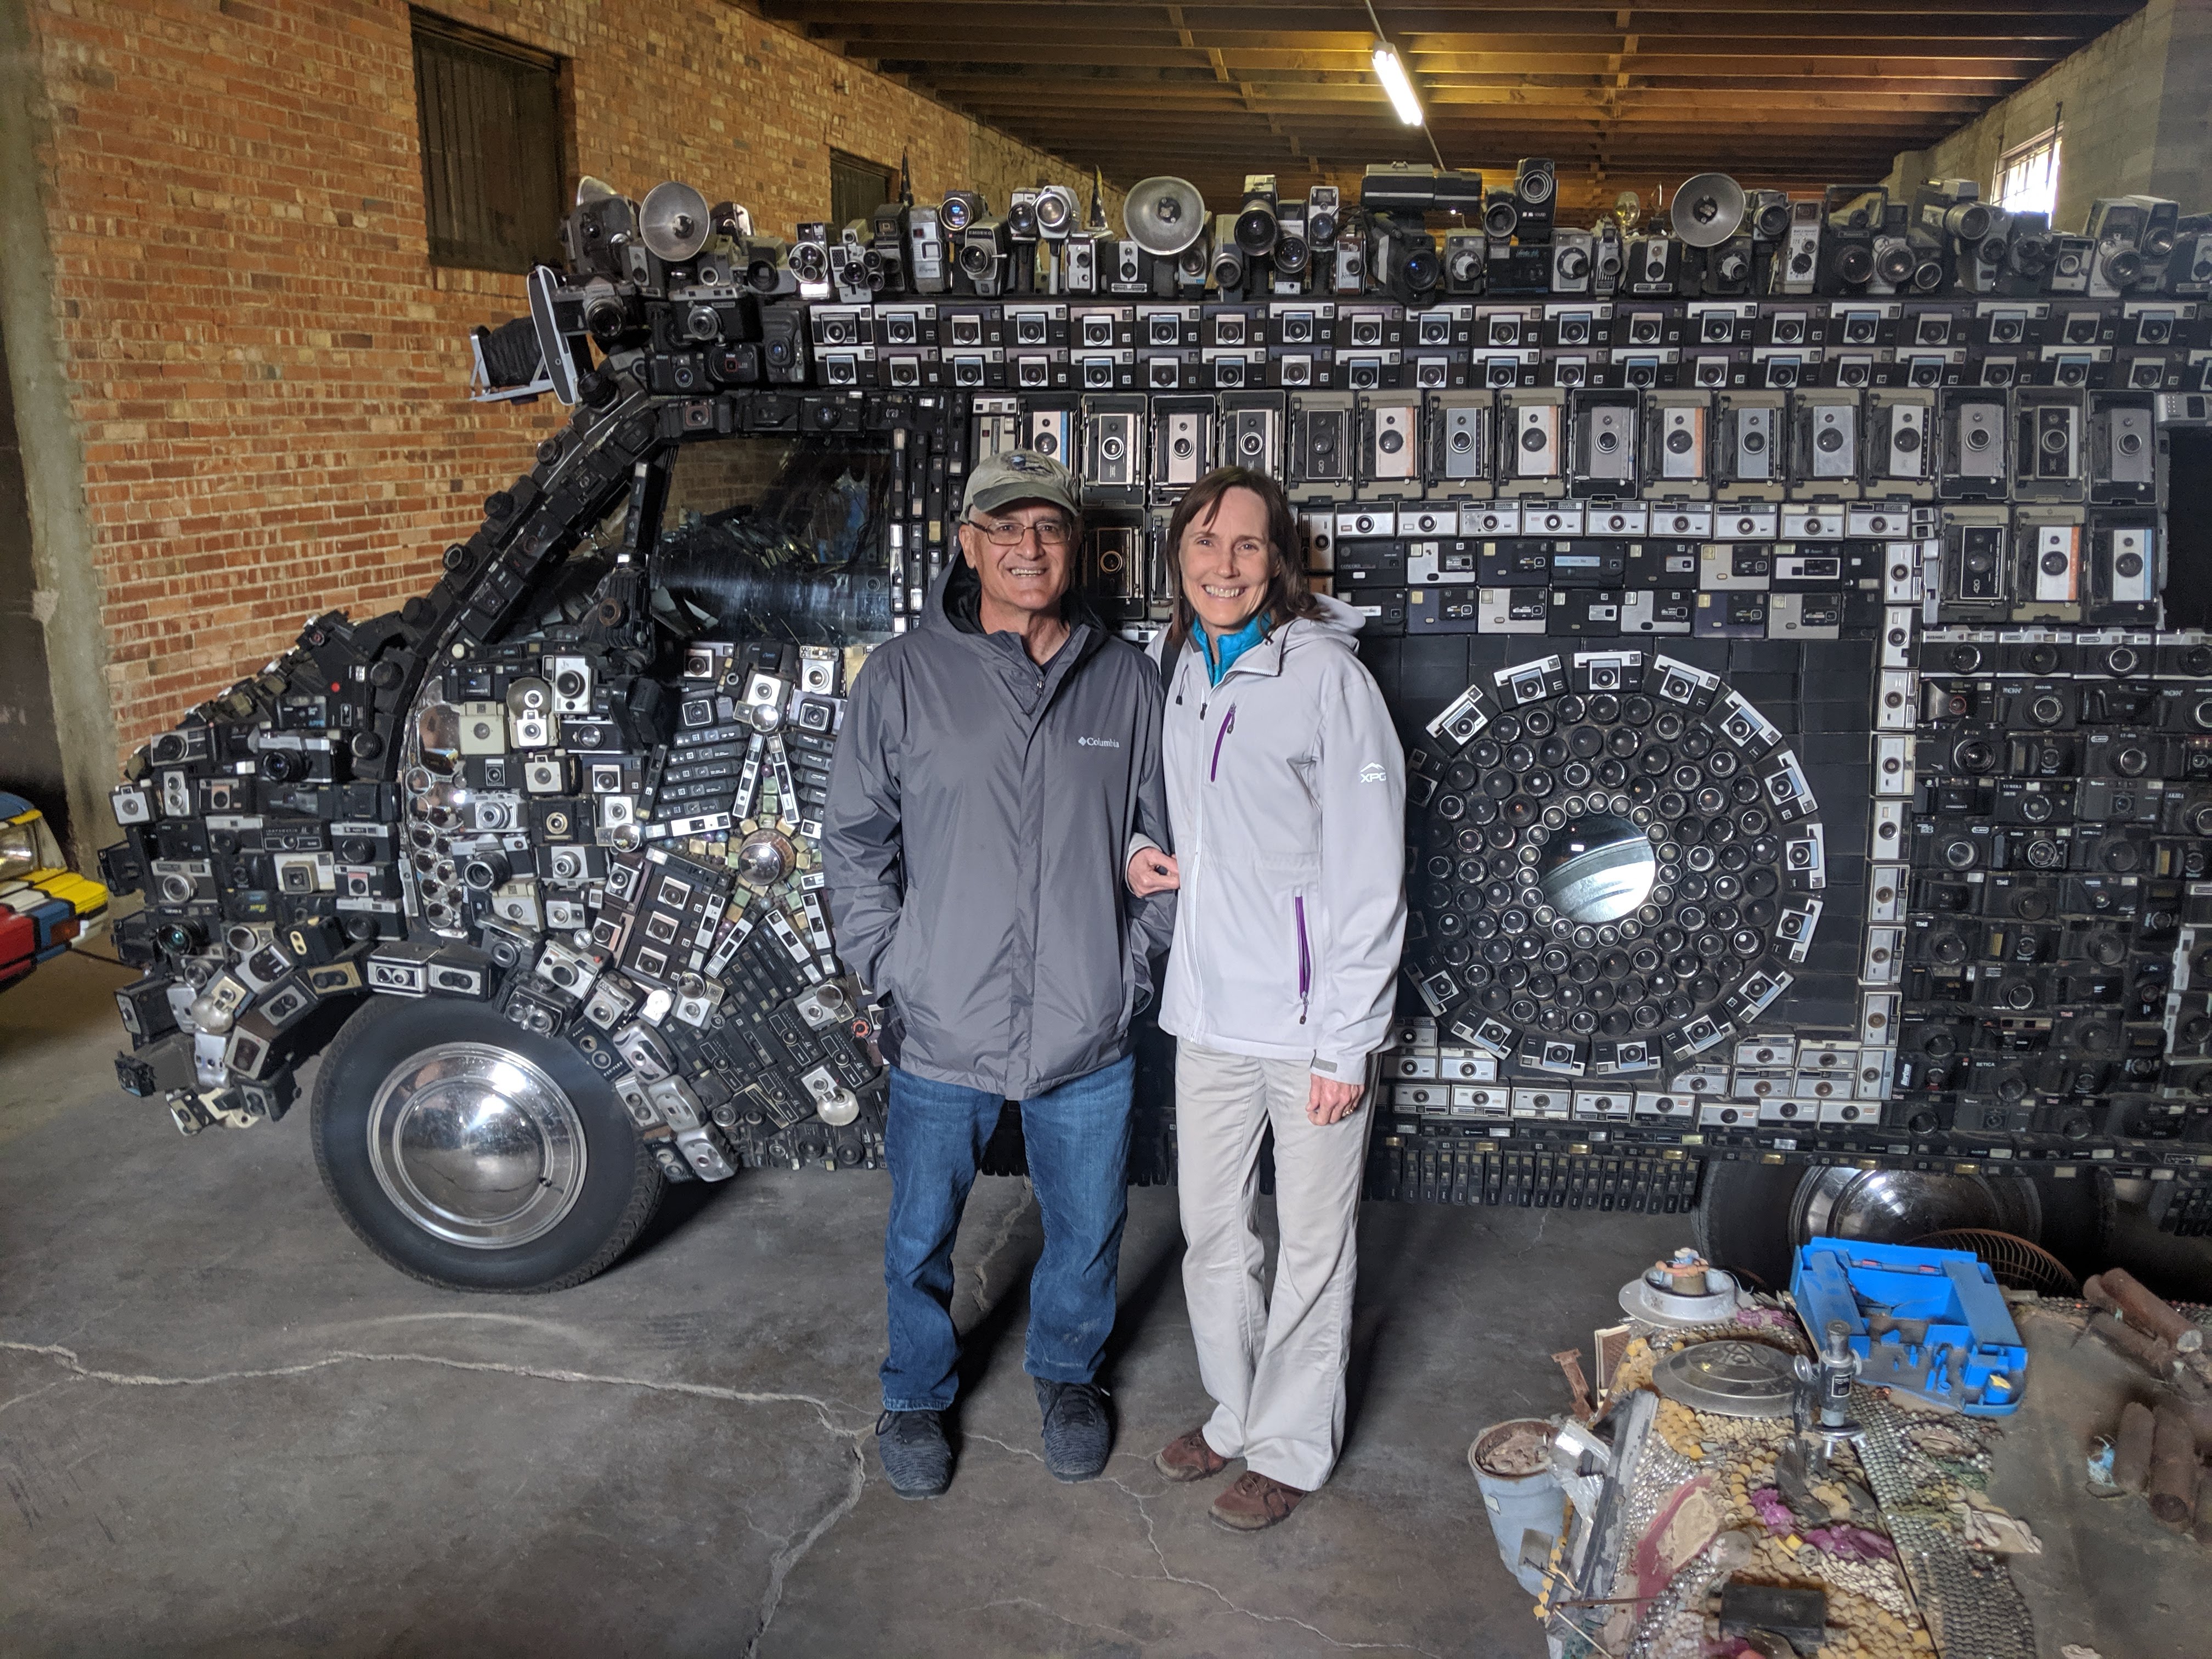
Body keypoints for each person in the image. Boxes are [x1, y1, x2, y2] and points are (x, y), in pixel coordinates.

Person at [823, 449, 1173, 1500]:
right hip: (943, 1021)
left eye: (1049, 528)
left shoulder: (1126, 680)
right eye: (1005, 528)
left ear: (1076, 546)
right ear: (969, 546)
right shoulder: (902, 676)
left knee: (1089, 1227)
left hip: (1085, 1022)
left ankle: (1070, 1376)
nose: (1029, 547)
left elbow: (1168, 845)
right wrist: (894, 967)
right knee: (921, 1233)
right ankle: (915, 1391)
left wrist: (1127, 976)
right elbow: (854, 843)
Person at [1124, 465, 1406, 1533]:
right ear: (1179, 557)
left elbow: (1372, 870)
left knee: (1312, 1249)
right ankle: (1237, 1413)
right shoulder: (1180, 665)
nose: (1225, 564)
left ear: (1278, 559)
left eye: (1247, 544)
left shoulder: (1327, 679)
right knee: (1211, 1236)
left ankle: (1289, 1447)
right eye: (1205, 542)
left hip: (1309, 1026)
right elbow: (1192, 814)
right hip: (1208, 1015)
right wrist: (1148, 852)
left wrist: (1348, 1042)